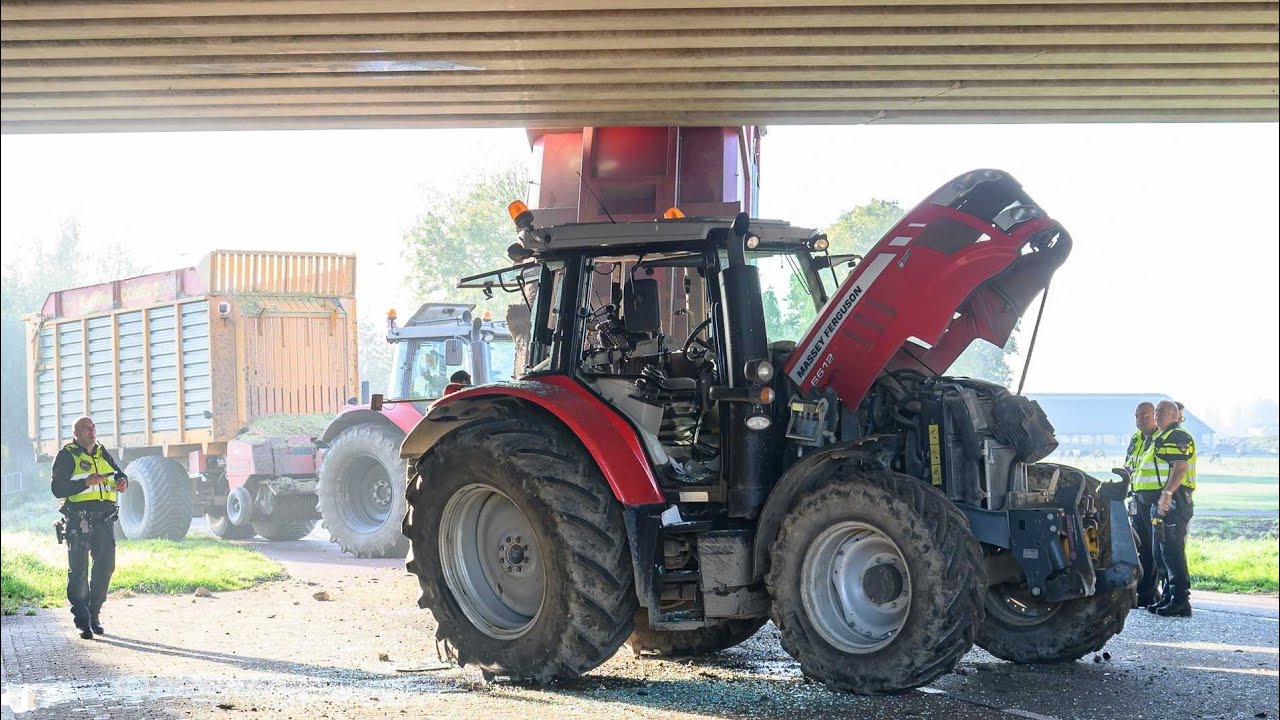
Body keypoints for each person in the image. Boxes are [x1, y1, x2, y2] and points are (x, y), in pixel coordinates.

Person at [50, 416, 129, 639]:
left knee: (105, 567)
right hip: (79, 520)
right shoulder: (67, 455)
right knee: (79, 571)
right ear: (75, 433)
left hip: (104, 520)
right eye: (86, 428)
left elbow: (118, 474)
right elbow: (57, 489)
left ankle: (94, 615)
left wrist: (123, 481)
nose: (91, 431)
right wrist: (86, 482)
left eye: (93, 427)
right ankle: (83, 621)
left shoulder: (102, 452)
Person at [1135, 400, 1197, 617]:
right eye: (1157, 412)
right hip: (1157, 503)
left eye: (1162, 412)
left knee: (1172, 551)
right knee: (1160, 552)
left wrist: (1167, 493)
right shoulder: (1159, 438)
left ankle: (1181, 600)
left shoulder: (1177, 436)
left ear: (1174, 415)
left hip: (1173, 500)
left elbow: (1179, 468)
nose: (1158, 415)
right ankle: (1170, 597)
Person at [1124, 401, 1161, 606]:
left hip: (1155, 499)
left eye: (1145, 416)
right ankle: (1146, 590)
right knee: (1141, 546)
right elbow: (1130, 464)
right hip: (1137, 498)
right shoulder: (1136, 438)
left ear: (1155, 416)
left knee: (1156, 548)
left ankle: (1150, 593)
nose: (1140, 420)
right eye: (1137, 416)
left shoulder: (1161, 438)